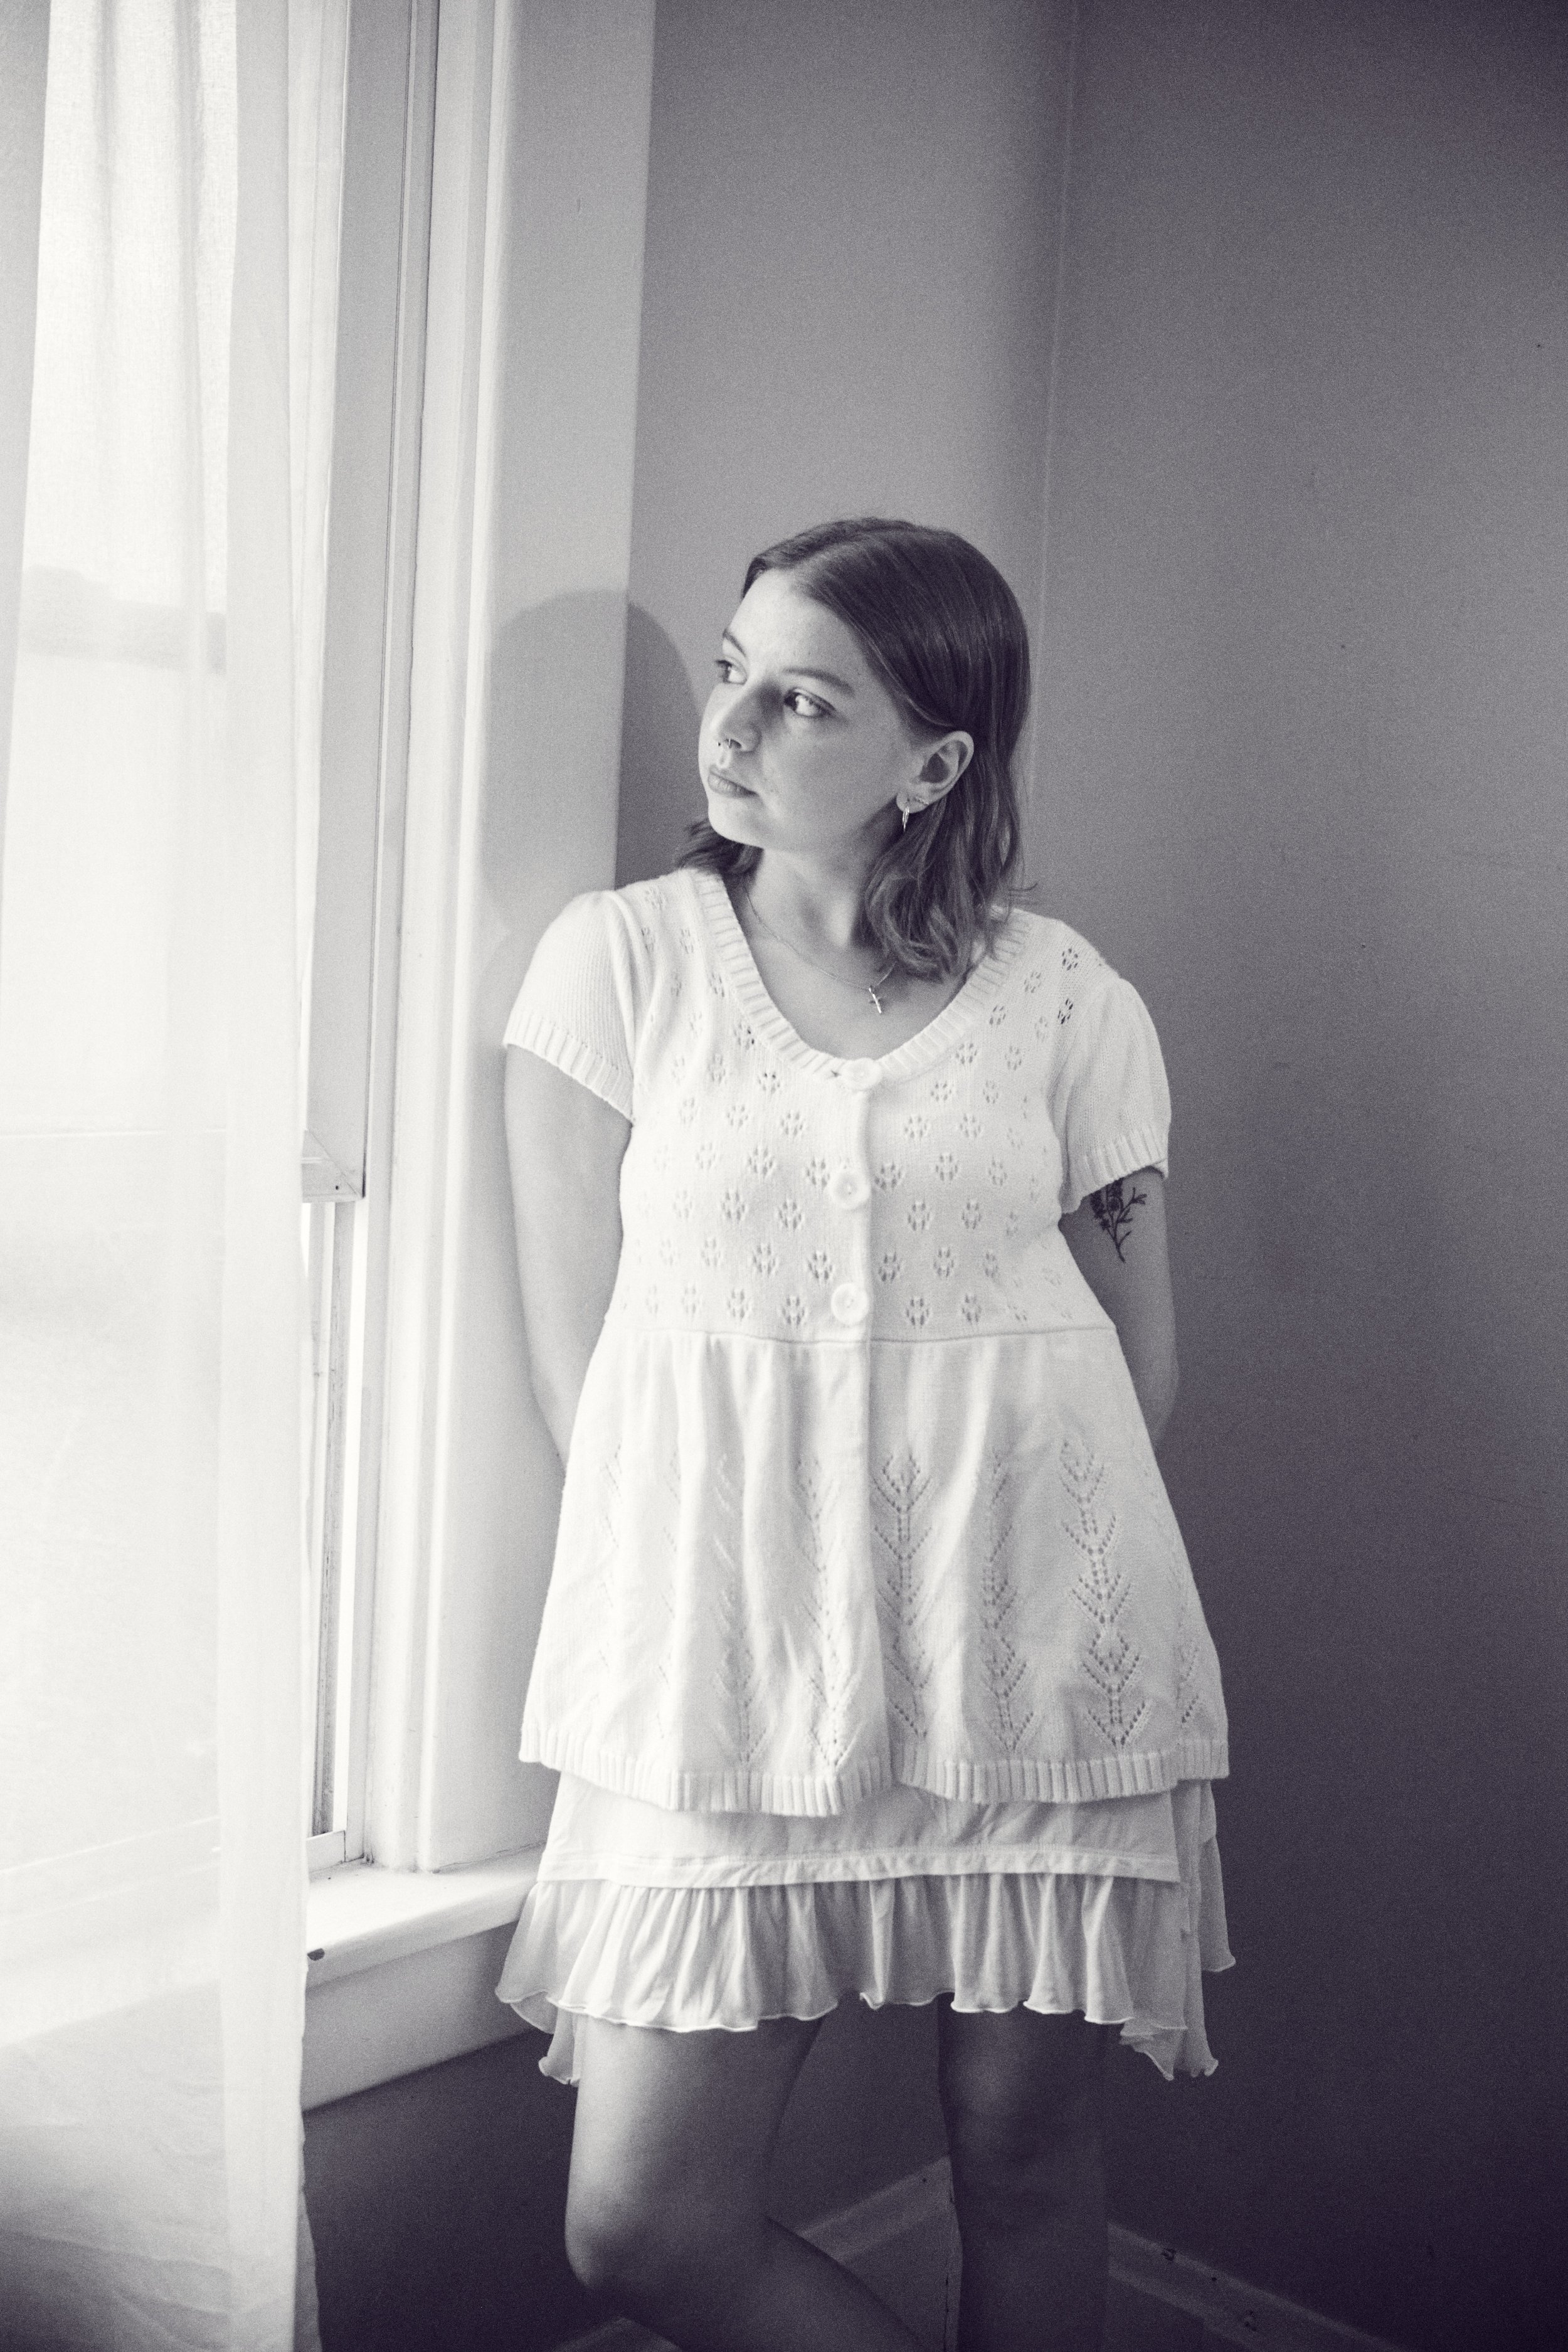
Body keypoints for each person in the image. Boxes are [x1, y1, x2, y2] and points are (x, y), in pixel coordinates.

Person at [496, 517, 1231, 2352]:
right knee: (643, 2227)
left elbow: (1138, 1374)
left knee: (1024, 2155)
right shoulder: (620, 968)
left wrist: (979, 1592)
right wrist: (748, 1618)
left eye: (798, 696)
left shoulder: (1066, 999)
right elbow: (583, 1380)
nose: (731, 726)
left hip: (1037, 1666)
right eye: (733, 671)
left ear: (933, 761)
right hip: (726, 1674)